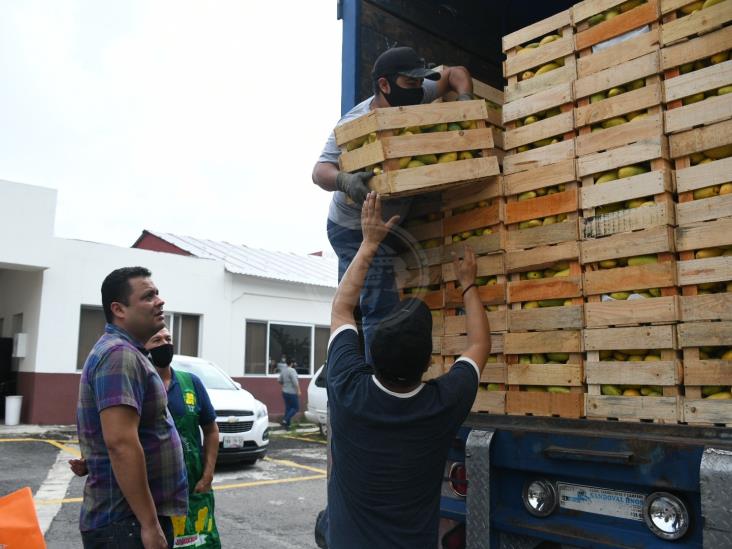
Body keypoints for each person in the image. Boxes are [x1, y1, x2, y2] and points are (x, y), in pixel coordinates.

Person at [318, 193, 490, 548]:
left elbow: (341, 310)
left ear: (372, 355)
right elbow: (480, 345)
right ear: (429, 362)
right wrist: (469, 284)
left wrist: (368, 243)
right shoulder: (440, 405)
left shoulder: (349, 390)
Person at [312, 46, 474, 364]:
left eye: (419, 83)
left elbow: (456, 72)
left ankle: (350, 374)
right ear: (385, 85)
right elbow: (319, 171)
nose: (418, 89)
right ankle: (377, 385)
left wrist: (465, 102)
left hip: (387, 224)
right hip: (351, 228)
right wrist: (345, 180)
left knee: (353, 304)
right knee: (378, 302)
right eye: (410, 83)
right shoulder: (355, 123)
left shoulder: (418, 92)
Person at [71, 326, 222, 548]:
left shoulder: (191, 383)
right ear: (145, 348)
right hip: (150, 498)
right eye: (157, 339)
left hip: (192, 490)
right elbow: (118, 438)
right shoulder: (133, 381)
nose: (164, 344)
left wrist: (207, 475)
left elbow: (211, 430)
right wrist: (91, 461)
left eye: (168, 338)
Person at [75, 267, 187, 549]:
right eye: (148, 296)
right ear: (119, 309)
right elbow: (121, 444)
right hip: (126, 525)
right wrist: (150, 525)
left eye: (157, 294)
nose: (160, 301)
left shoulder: (128, 352)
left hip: (128, 522)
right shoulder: (119, 355)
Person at [278, 358, 301, 429]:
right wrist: (299, 391)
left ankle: (287, 426)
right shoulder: (292, 370)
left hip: (284, 392)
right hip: (292, 392)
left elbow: (279, 380)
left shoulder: (283, 370)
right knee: (296, 408)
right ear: (291, 363)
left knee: (288, 408)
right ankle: (285, 420)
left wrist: (285, 383)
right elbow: (295, 382)